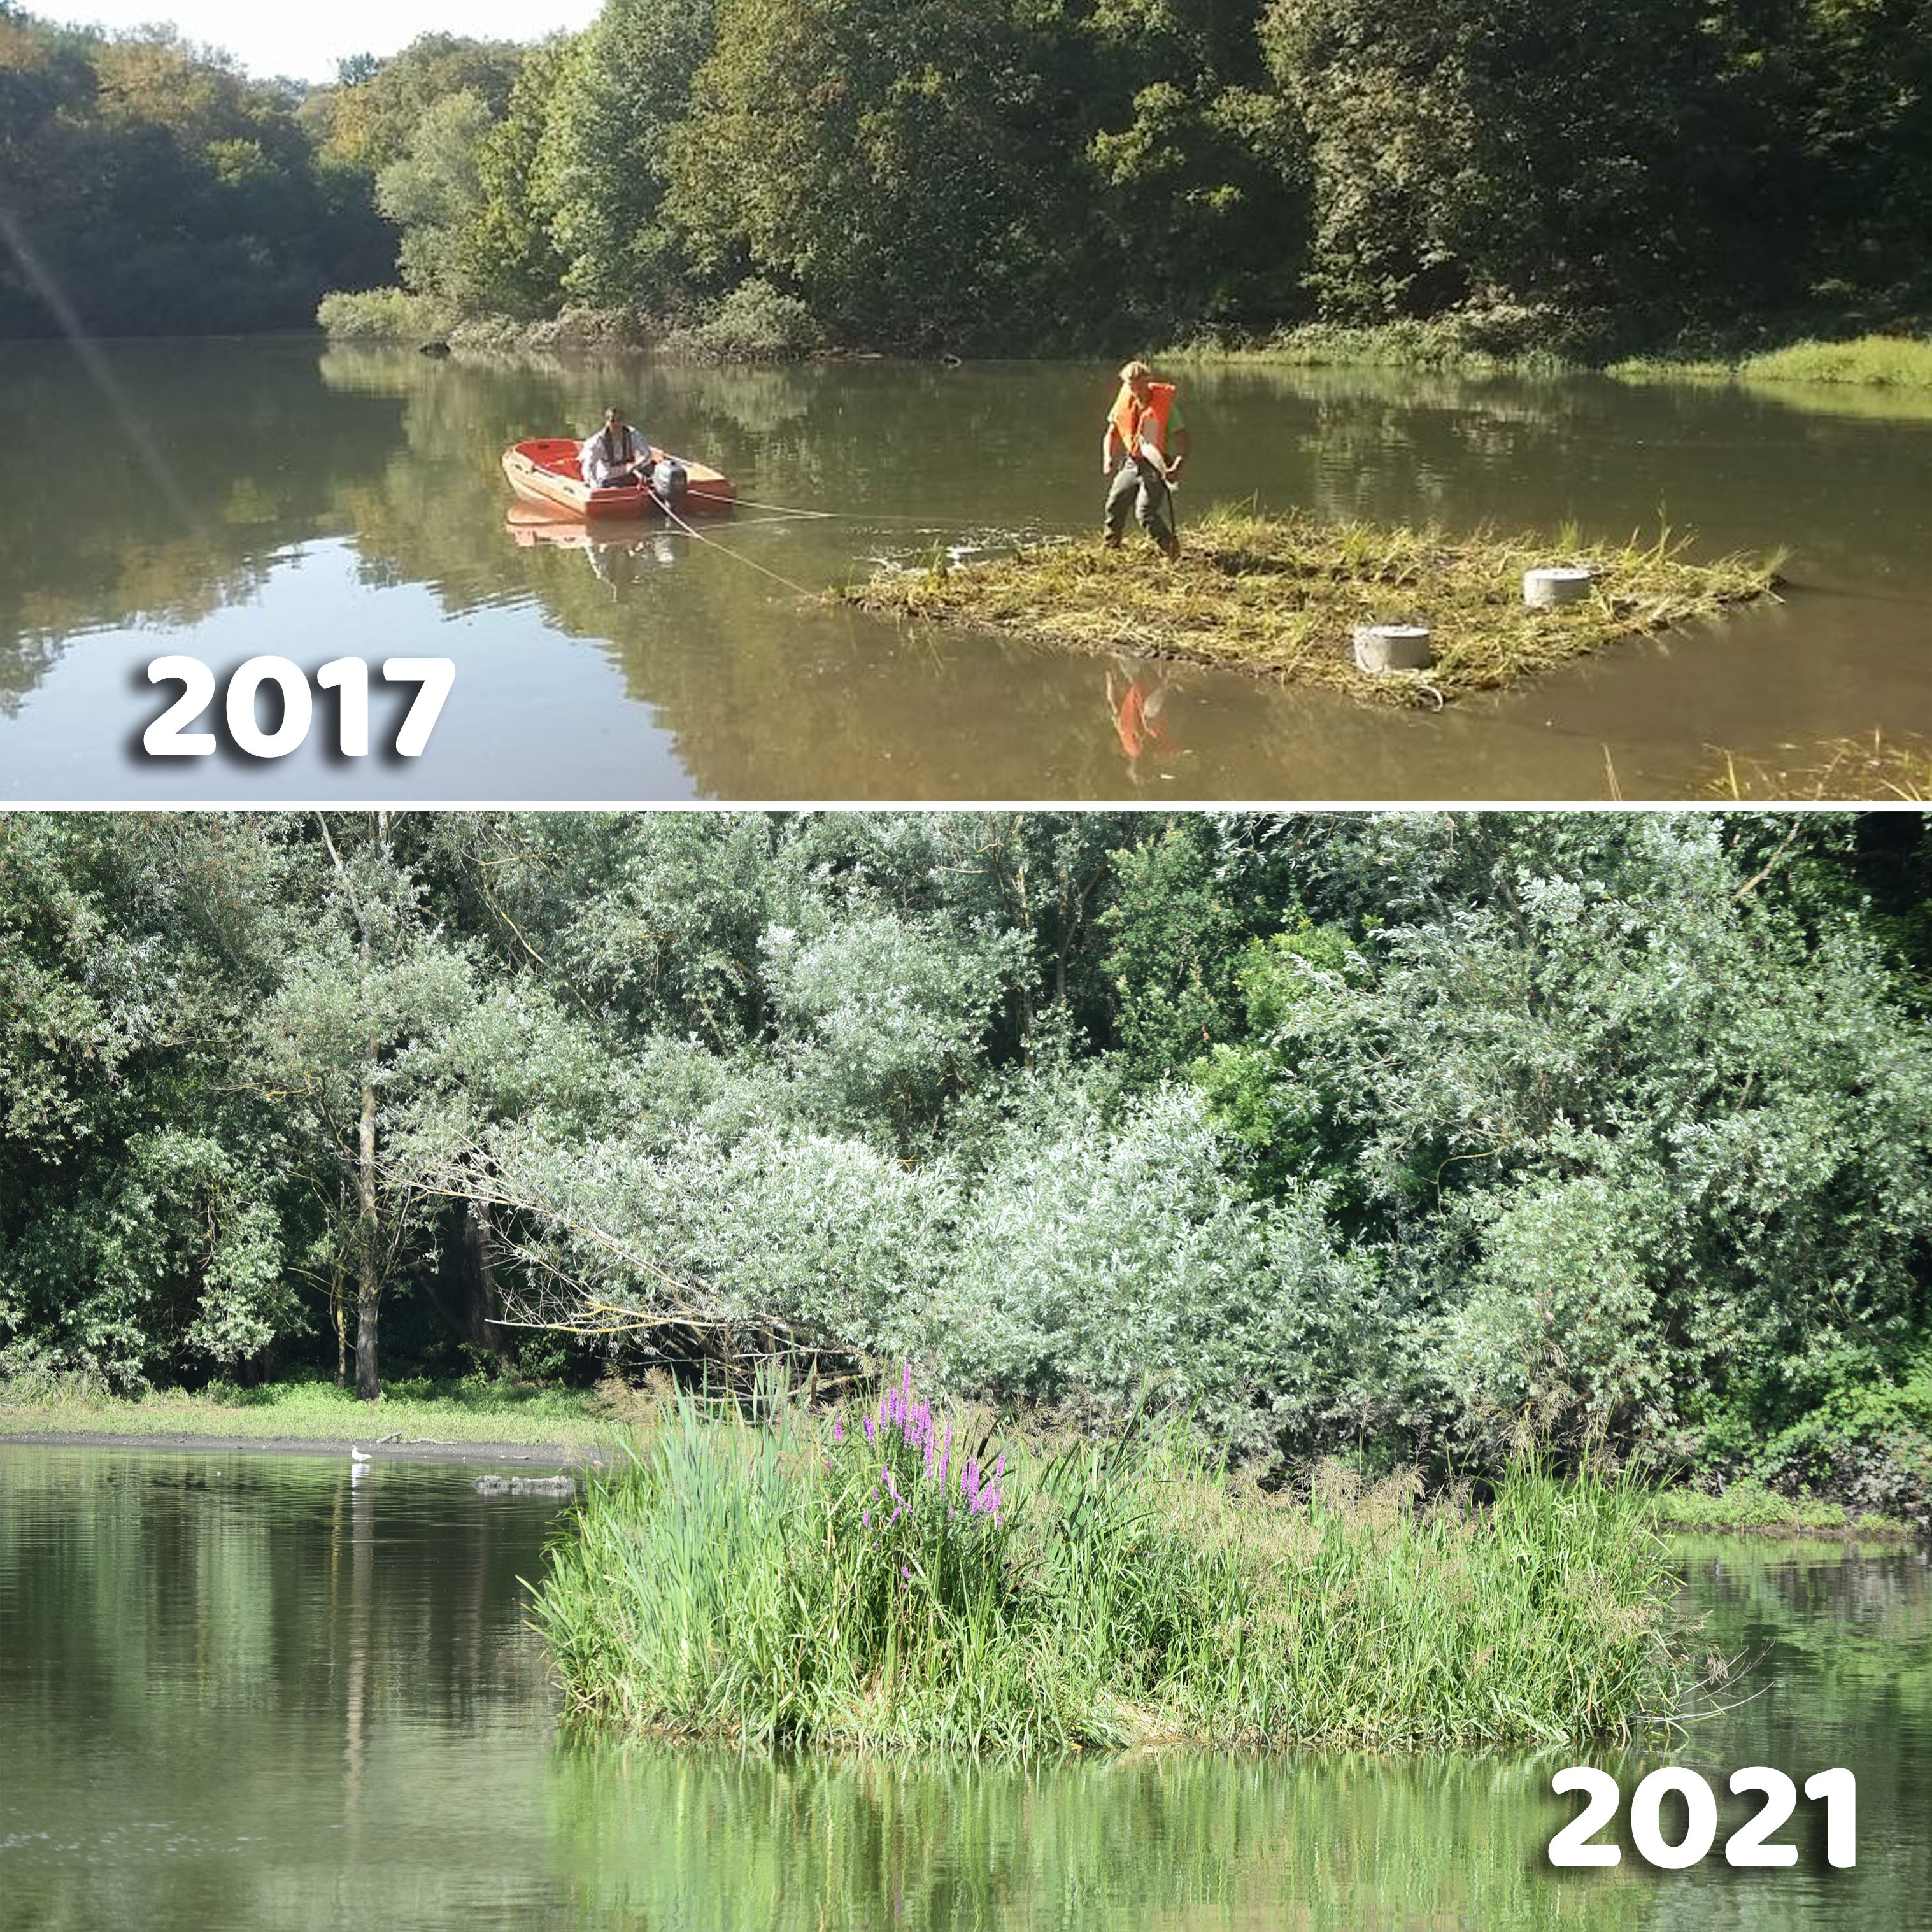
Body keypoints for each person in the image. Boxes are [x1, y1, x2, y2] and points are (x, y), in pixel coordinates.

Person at [1102, 360, 1188, 560]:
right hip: (1131, 463)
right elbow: (1111, 434)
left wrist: (1176, 467)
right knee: (1115, 503)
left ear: (1148, 382)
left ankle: (1172, 552)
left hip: (1155, 466)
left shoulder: (1165, 408)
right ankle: (1111, 549)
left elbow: (1184, 444)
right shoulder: (1124, 403)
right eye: (1132, 387)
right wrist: (1108, 458)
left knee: (1145, 513)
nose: (1137, 392)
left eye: (1140, 387)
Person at [580, 406, 657, 490]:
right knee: (614, 489)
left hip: (630, 474)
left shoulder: (633, 435)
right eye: (612, 421)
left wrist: (635, 466)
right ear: (607, 423)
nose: (616, 424)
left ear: (624, 422)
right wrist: (593, 485)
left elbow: (647, 454)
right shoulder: (598, 442)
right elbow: (589, 466)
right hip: (609, 478)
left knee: (654, 476)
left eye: (619, 420)